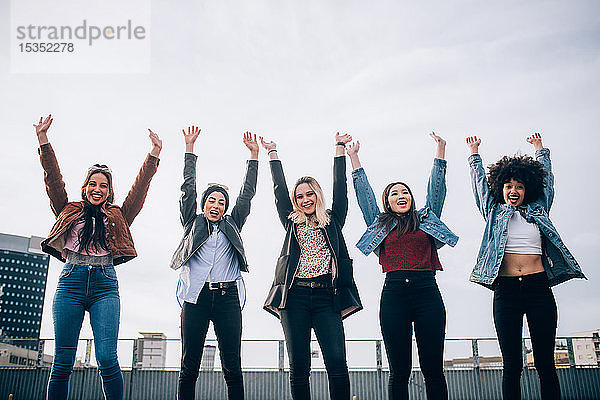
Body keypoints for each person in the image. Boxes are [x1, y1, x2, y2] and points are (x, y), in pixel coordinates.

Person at [35, 114, 161, 400]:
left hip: (105, 285)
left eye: (103, 186)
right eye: (93, 184)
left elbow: (138, 191)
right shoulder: (67, 209)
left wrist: (153, 154)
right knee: (62, 361)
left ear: (108, 191)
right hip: (70, 283)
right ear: (85, 187)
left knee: (107, 359)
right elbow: (53, 180)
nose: (98, 189)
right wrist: (43, 140)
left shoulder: (117, 215)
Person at [466, 133, 585, 400]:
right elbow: (479, 188)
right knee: (512, 365)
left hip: (538, 288)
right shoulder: (494, 211)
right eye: (508, 186)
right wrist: (474, 154)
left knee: (545, 363)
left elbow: (548, 183)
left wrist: (540, 150)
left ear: (526, 189)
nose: (513, 191)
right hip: (506, 292)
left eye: (519, 186)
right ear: (501, 188)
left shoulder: (539, 208)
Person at [347, 133, 457, 400]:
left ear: (411, 198)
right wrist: (354, 158)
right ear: (388, 201)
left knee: (433, 369)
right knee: (399, 371)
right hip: (394, 294)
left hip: (427, 293)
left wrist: (440, 151)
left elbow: (437, 190)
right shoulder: (380, 224)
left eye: (405, 191)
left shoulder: (426, 220)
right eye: (394, 193)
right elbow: (365, 197)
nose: (401, 195)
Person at [260, 133, 362, 400]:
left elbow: (341, 186)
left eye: (309, 194)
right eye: (300, 196)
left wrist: (339, 149)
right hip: (294, 298)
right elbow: (278, 190)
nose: (305, 200)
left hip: (328, 297)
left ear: (317, 195)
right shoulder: (291, 221)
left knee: (337, 364)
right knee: (299, 367)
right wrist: (272, 153)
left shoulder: (333, 220)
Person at [170, 127, 259, 400]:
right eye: (212, 200)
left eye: (221, 202)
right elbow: (187, 189)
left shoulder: (233, 223)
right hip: (195, 298)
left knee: (232, 366)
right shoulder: (193, 222)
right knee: (189, 366)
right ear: (204, 203)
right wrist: (189, 150)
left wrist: (254, 156)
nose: (216, 205)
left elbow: (246, 194)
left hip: (227, 298)